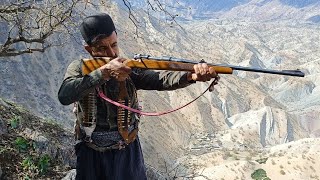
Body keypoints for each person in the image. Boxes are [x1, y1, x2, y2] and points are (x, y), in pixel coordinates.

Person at [58, 13, 219, 180]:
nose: (112, 53)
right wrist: (102, 73)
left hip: (127, 151)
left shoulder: (127, 67)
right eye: (102, 48)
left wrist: (191, 77)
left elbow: (159, 80)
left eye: (114, 45)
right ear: (89, 49)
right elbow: (65, 95)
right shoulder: (78, 68)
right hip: (91, 152)